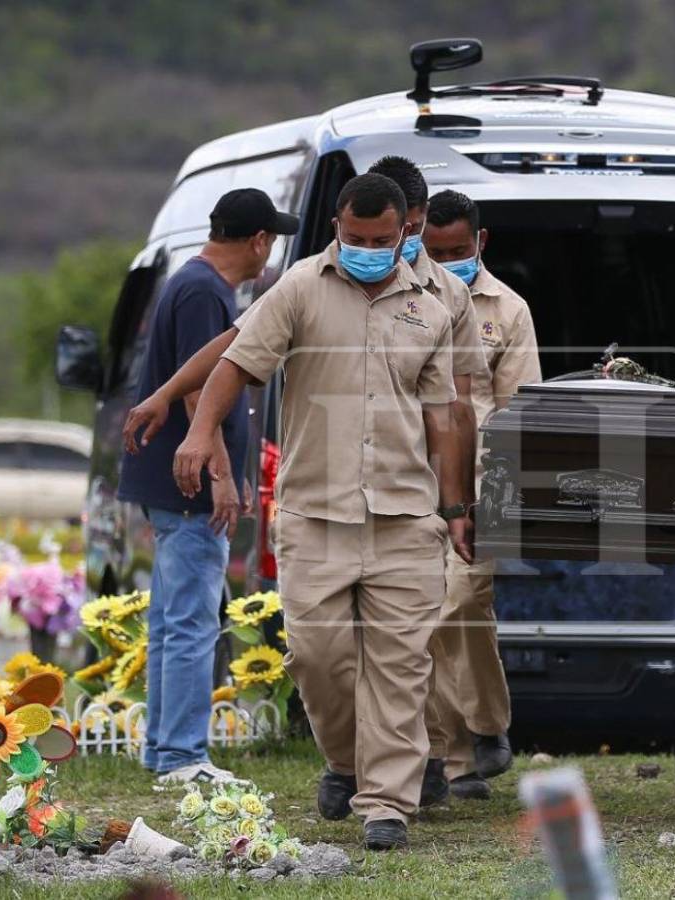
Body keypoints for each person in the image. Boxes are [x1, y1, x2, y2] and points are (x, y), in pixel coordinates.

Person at [171, 172, 471, 851]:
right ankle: (343, 760)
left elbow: (443, 414)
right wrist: (199, 432)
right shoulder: (301, 287)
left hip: (404, 514)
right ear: (337, 226)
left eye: (383, 240)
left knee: (401, 665)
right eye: (356, 238)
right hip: (316, 512)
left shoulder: (434, 301)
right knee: (317, 657)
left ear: (405, 233)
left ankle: (387, 804)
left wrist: (453, 507)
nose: (369, 249)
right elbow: (236, 365)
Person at [117, 188, 298, 785]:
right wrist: (222, 475)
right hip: (192, 482)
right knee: (193, 619)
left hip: (177, 482)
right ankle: (183, 755)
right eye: (270, 242)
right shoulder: (204, 291)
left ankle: (164, 750)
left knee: (174, 618)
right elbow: (202, 388)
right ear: (258, 240)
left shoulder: (192, 283)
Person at [421, 189, 542, 800]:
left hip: (481, 485)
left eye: (457, 251)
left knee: (460, 602)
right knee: (420, 616)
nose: (446, 264)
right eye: (433, 252)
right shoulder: (405, 302)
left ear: (481, 243)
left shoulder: (508, 310)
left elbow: (521, 409)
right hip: (412, 481)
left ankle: (486, 726)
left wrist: (501, 493)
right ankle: (457, 758)